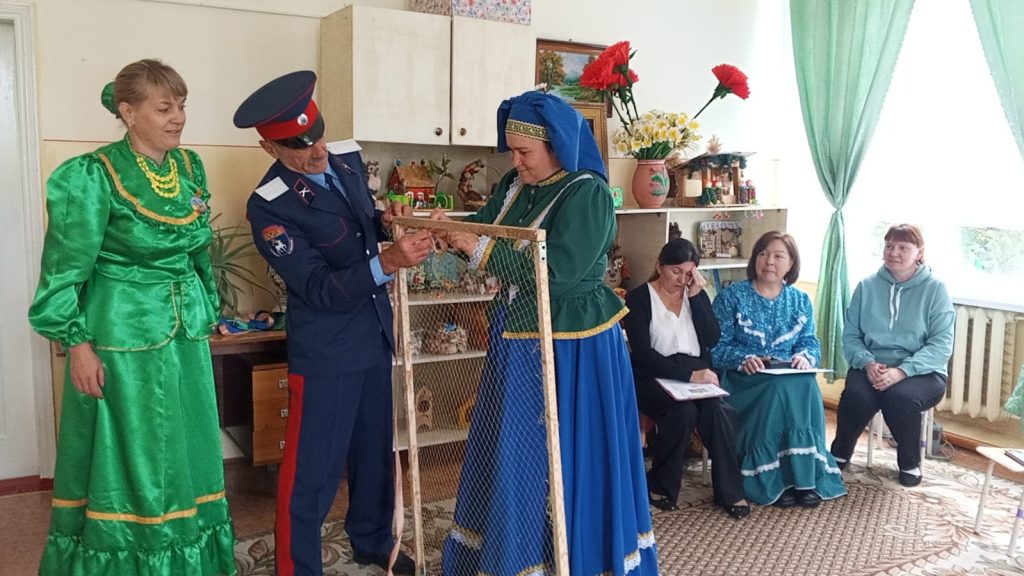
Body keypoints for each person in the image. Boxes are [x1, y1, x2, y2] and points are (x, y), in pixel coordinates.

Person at [434, 91, 658, 575]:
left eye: (524, 152)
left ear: (556, 145)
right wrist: (449, 229)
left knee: (569, 451)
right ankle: (518, 552)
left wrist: (474, 246)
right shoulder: (517, 184)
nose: (515, 162)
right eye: (512, 151)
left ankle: (577, 553)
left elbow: (558, 271)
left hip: (572, 343)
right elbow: (487, 228)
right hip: (517, 333)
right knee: (514, 449)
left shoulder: (587, 193)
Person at [28, 59, 236, 575]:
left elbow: (197, 251)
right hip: (123, 338)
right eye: (164, 108)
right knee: (136, 458)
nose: (178, 117)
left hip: (184, 336)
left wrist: (208, 308)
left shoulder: (189, 168)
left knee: (187, 451)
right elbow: (64, 270)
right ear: (128, 112)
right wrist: (77, 344)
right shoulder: (92, 175)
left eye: (181, 106)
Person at [234, 71, 431, 576]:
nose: (317, 151)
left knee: (373, 455)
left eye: (317, 135)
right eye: (300, 146)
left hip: (373, 335)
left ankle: (372, 543)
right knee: (312, 472)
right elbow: (317, 287)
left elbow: (360, 224)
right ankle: (296, 567)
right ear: (269, 148)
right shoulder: (269, 206)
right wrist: (388, 262)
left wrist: (386, 219)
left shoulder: (344, 159)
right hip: (326, 352)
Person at [711, 231, 847, 508]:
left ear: (791, 263)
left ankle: (804, 480)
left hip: (788, 376)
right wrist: (744, 358)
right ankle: (773, 478)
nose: (769, 261)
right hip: (743, 378)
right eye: (763, 254)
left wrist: (805, 357)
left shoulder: (800, 300)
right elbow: (715, 347)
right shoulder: (731, 297)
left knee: (807, 383)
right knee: (777, 388)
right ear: (754, 259)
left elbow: (810, 342)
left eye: (778, 256)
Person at [623, 238, 750, 519]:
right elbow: (642, 352)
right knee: (682, 412)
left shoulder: (695, 295)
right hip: (653, 374)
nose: (682, 279)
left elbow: (711, 338)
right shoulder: (640, 298)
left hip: (696, 372)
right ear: (659, 266)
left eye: (689, 273)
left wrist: (696, 296)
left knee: (718, 412)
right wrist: (688, 375)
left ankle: (731, 492)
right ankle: (661, 486)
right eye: (676, 271)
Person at [830, 224, 954, 487]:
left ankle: (909, 463)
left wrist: (903, 371)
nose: (893, 252)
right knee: (856, 395)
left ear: (919, 253)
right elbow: (850, 336)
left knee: (900, 398)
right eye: (889, 246)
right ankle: (839, 453)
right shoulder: (866, 287)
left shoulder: (936, 290)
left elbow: (941, 346)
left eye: (902, 247)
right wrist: (867, 363)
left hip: (923, 371)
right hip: (872, 365)